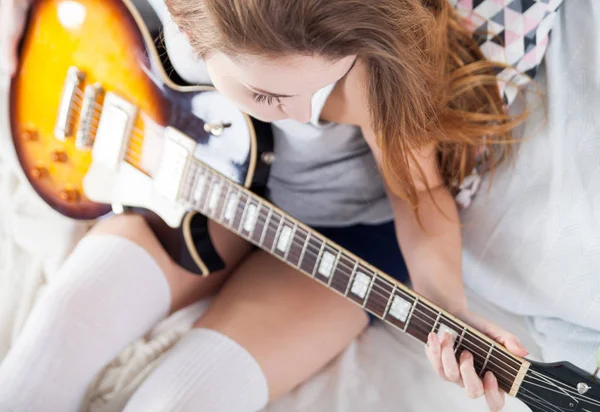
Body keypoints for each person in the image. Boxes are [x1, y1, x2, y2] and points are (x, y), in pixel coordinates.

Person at [0, 0, 529, 411]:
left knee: (183, 399)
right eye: (269, 96)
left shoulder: (371, 65)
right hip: (207, 182)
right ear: (187, 25)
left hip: (345, 234)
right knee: (58, 331)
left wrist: (447, 307)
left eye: (324, 85)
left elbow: (421, 193)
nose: (301, 113)